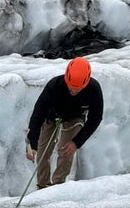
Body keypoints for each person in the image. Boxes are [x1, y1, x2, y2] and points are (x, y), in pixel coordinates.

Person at [25, 57, 104, 189]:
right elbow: (38, 115)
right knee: (43, 151)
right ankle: (42, 185)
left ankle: (58, 185)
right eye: (71, 88)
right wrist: (32, 143)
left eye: (77, 90)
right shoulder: (54, 86)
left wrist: (76, 143)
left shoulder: (94, 90)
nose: (73, 92)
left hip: (75, 118)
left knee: (66, 150)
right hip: (51, 116)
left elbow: (95, 118)